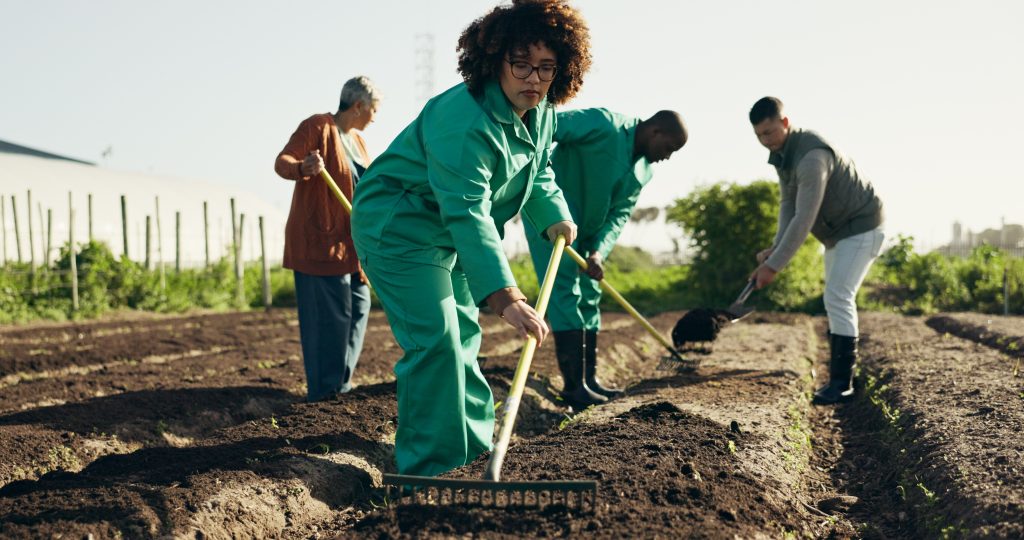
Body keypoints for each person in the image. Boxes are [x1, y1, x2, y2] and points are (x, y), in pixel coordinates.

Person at [351, 0, 591, 477]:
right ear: (495, 59)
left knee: (462, 340)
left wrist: (556, 215)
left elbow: (538, 170)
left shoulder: (539, 111)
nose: (533, 78)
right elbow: (468, 211)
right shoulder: (462, 121)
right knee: (436, 341)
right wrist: (506, 296)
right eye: (521, 64)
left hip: (447, 235)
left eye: (546, 68)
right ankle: (426, 473)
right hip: (399, 228)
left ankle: (472, 457)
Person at [524, 108, 687, 409]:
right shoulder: (602, 125)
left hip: (589, 236)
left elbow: (619, 214)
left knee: (589, 295)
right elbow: (547, 126)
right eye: (668, 149)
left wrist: (599, 251)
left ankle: (590, 380)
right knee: (564, 292)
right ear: (655, 132)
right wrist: (536, 168)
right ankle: (574, 388)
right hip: (551, 221)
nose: (667, 157)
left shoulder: (644, 171)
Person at [747, 96, 884, 405]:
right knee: (834, 297)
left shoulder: (810, 157)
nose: (764, 141)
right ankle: (841, 378)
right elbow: (787, 205)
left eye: (768, 132)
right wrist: (775, 248)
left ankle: (841, 383)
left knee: (838, 296)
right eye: (758, 136)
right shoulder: (784, 155)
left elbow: (804, 216)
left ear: (785, 122)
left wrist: (774, 266)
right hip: (838, 235)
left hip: (862, 228)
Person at [273, 76, 381, 402]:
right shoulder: (318, 127)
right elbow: (283, 162)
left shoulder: (359, 143)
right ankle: (324, 394)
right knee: (328, 321)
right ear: (359, 105)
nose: (376, 117)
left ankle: (340, 387)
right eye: (375, 109)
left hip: (352, 247)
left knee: (358, 313)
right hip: (320, 243)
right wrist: (305, 167)